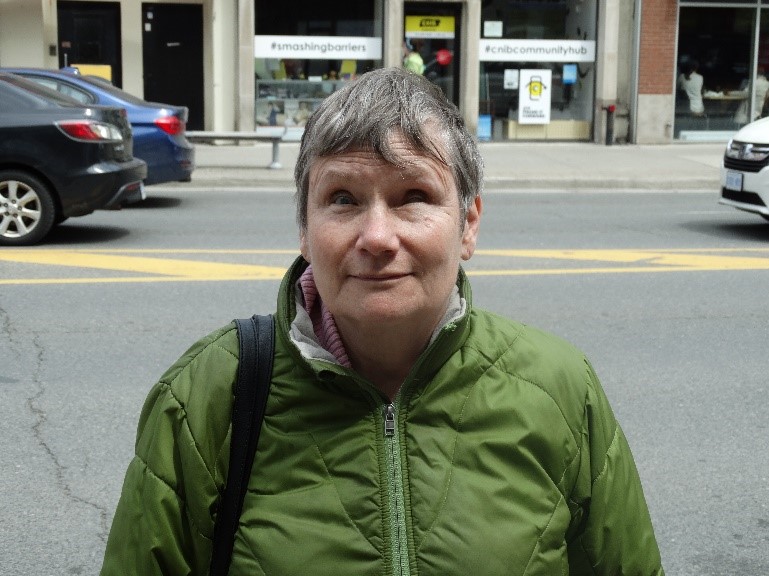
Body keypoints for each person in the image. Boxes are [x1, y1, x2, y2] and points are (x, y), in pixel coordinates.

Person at [100, 67, 664, 575]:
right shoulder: (205, 397)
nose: (376, 237)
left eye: (413, 195)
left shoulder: (561, 388)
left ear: (468, 223)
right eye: (343, 198)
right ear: (303, 227)